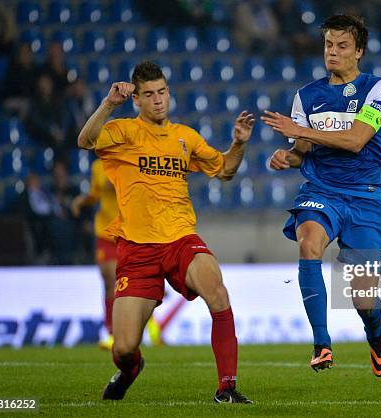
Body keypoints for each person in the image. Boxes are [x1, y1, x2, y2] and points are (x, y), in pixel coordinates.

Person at [77, 61, 254, 403]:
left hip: (180, 239)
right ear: (137, 101)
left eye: (162, 92)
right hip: (137, 249)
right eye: (149, 95)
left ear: (169, 94)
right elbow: (85, 140)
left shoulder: (185, 138)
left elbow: (226, 170)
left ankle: (226, 388)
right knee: (125, 347)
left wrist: (239, 144)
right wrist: (109, 103)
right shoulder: (125, 132)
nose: (157, 100)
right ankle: (130, 370)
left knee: (217, 292)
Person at [261, 15, 381, 377]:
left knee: (364, 299)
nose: (332, 52)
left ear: (359, 51)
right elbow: (301, 151)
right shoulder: (306, 96)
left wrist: (301, 131)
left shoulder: (379, 88)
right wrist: (286, 157)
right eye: (328, 45)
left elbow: (355, 141)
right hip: (321, 191)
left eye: (342, 46)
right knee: (308, 243)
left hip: (365, 198)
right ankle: (322, 343)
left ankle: (376, 331)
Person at [71, 159, 163, 350]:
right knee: (108, 281)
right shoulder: (97, 166)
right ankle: (112, 332)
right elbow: (97, 193)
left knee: (129, 281)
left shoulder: (131, 160)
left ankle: (145, 325)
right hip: (105, 231)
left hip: (129, 231)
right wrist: (85, 200)